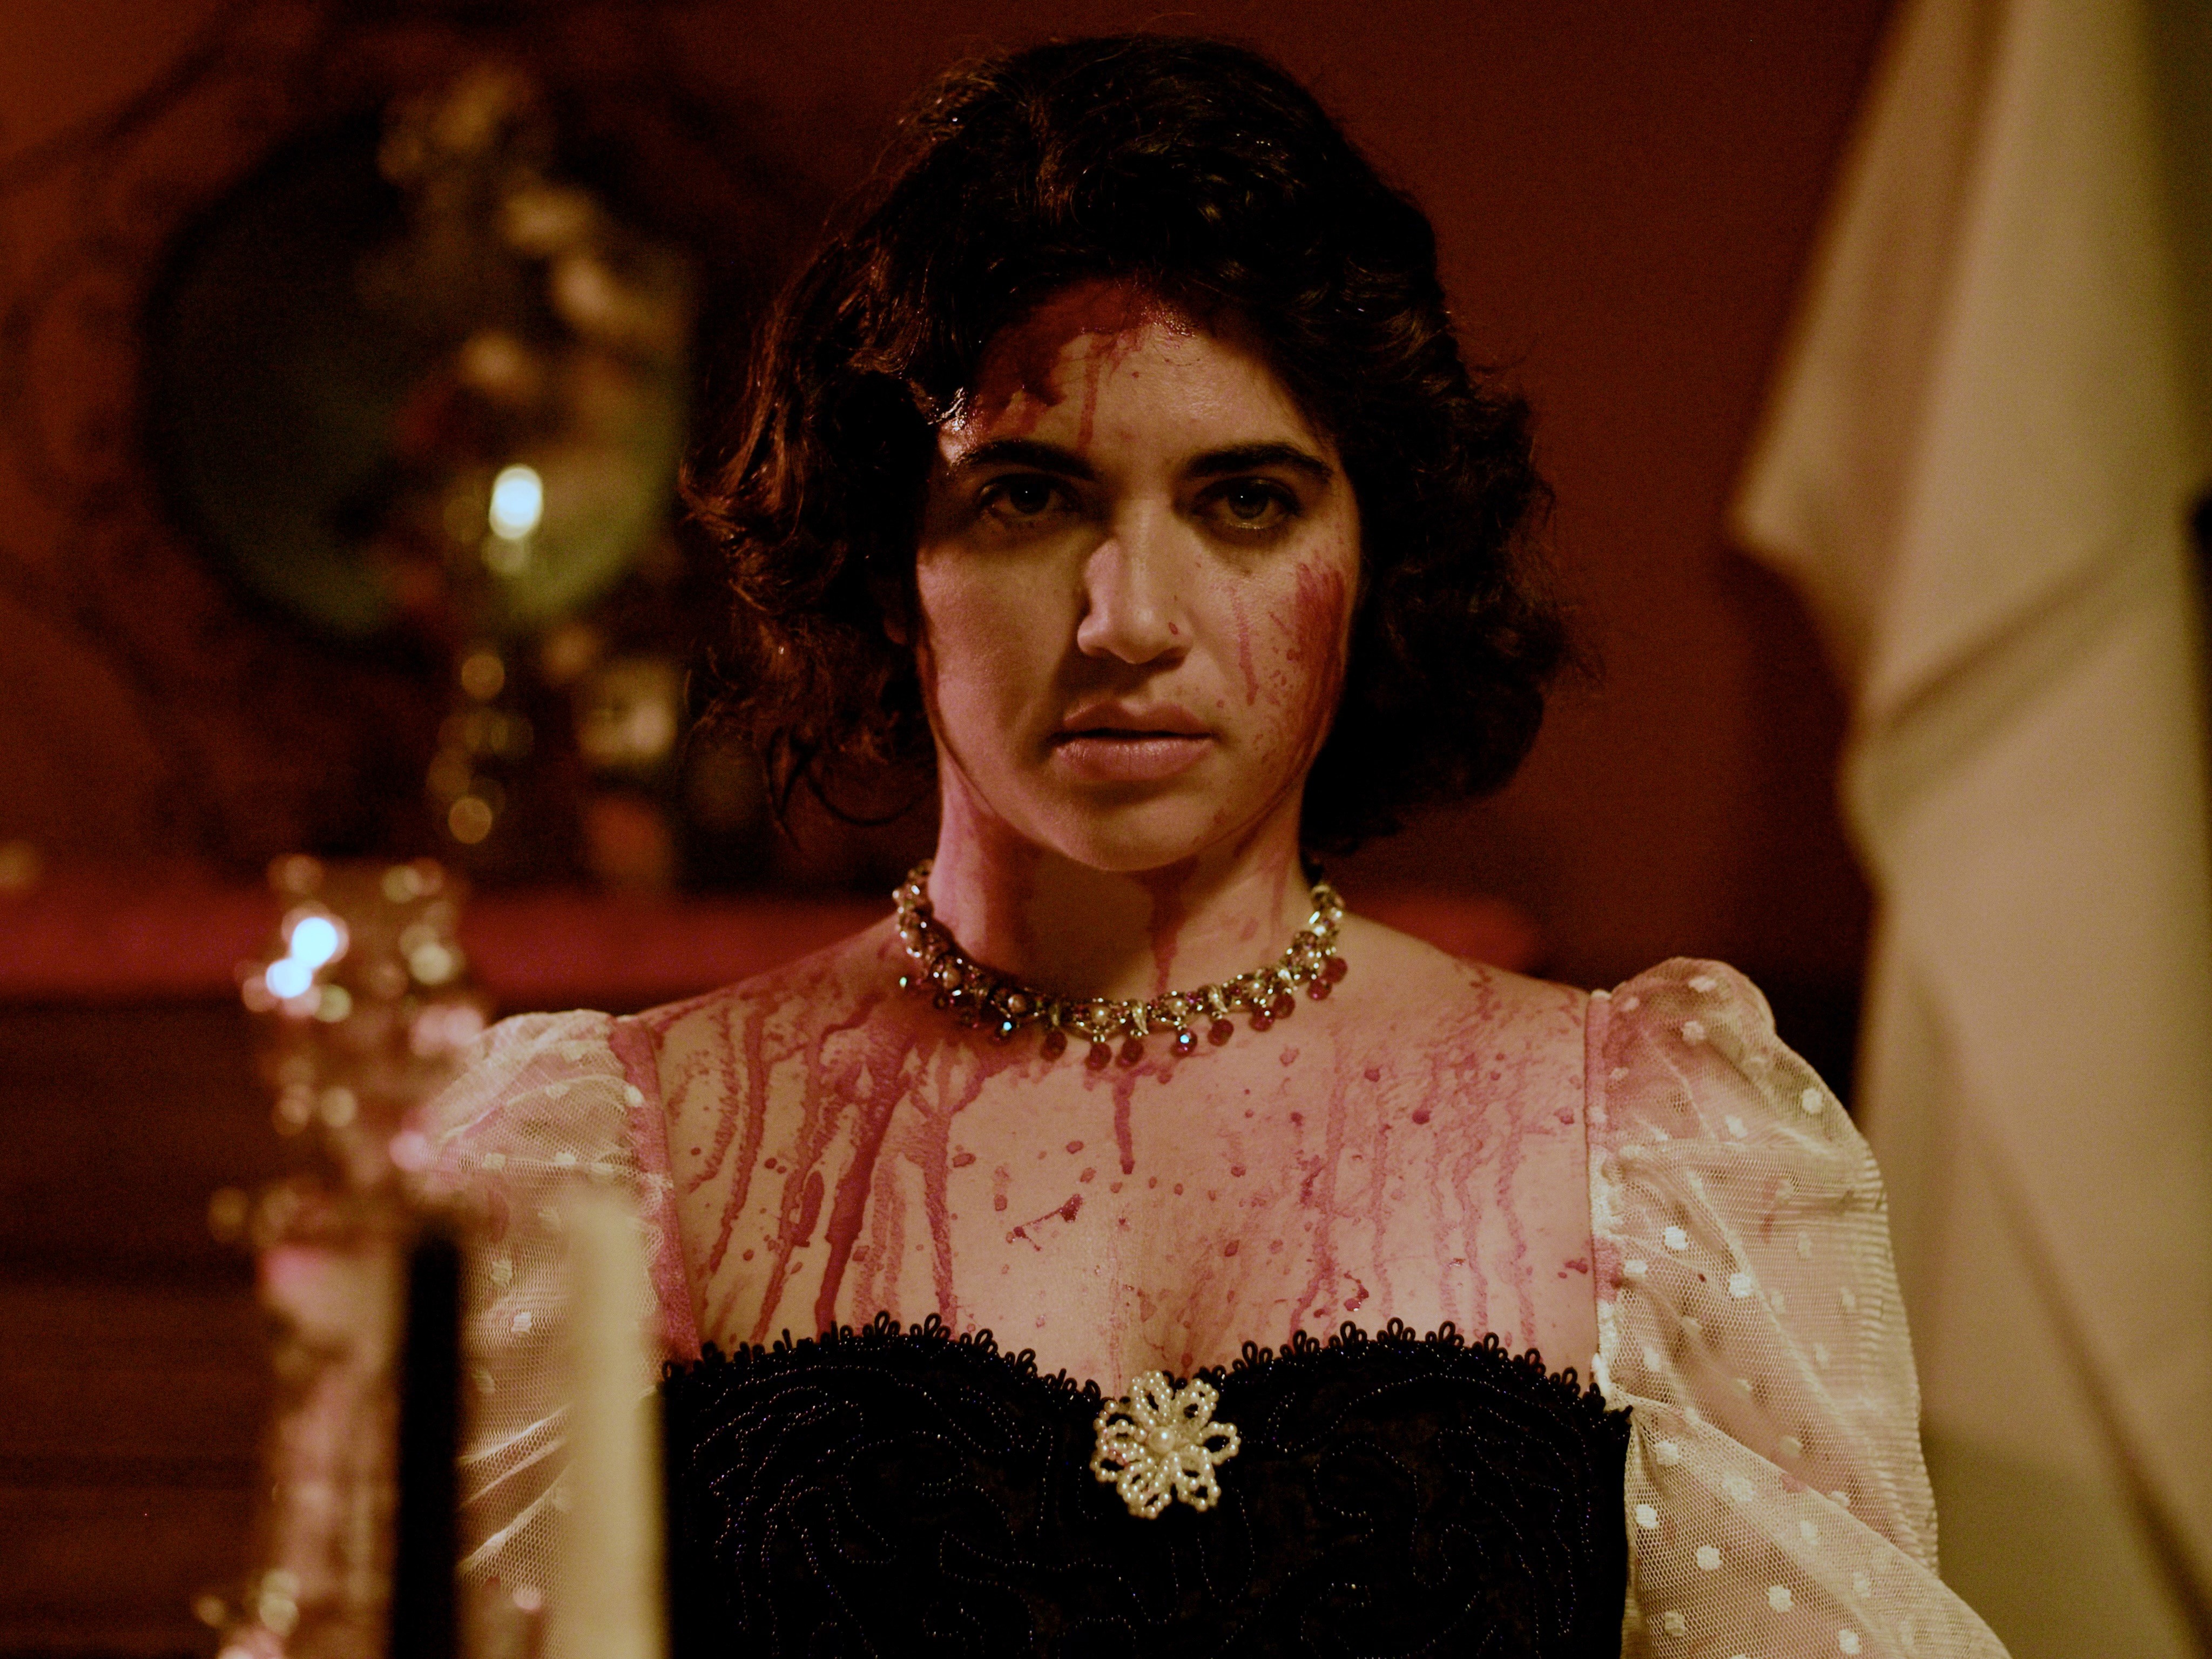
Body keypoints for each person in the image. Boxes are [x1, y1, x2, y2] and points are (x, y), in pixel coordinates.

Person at [428, 35, 2009, 1658]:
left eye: (1244, 502)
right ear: (891, 566)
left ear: (1373, 561)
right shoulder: (624, 1156)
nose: (1129, 621)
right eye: (1028, 499)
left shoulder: (1646, 1151)